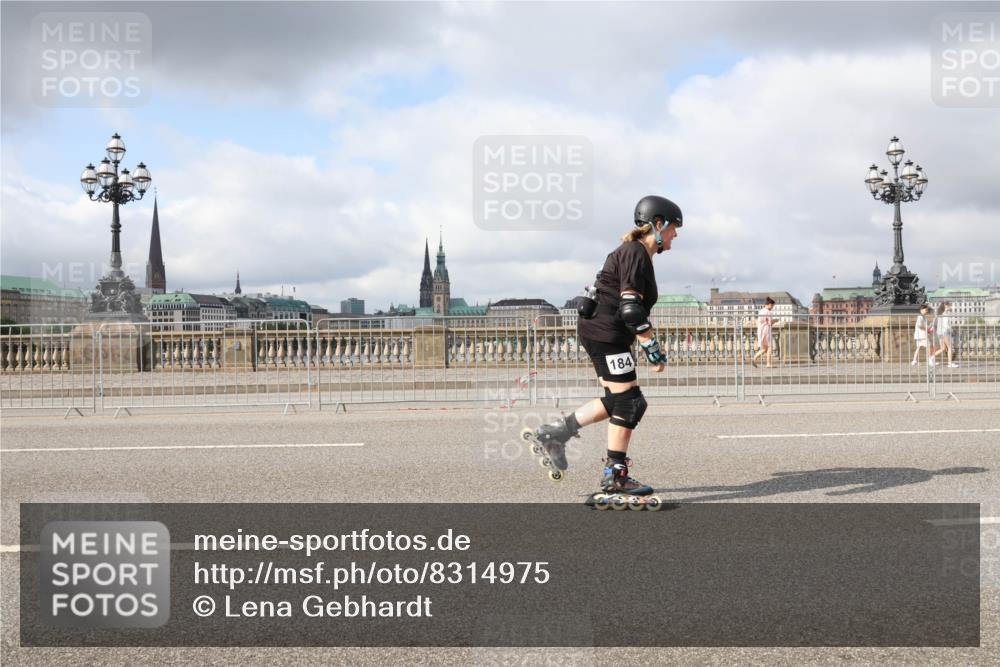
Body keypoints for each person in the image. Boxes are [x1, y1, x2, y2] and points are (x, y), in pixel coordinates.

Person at [526, 195, 681, 498]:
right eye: (674, 228)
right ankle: (616, 476)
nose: (676, 234)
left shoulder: (633, 252)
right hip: (606, 333)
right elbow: (631, 309)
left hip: (601, 332)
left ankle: (555, 433)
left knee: (619, 399)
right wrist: (652, 347)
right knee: (630, 403)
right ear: (658, 224)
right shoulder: (635, 252)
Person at [752, 297, 776, 368]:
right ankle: (768, 364)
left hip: (761, 330)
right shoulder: (768, 312)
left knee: (764, 348)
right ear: (769, 305)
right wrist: (775, 320)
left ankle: (754, 358)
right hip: (766, 331)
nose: (772, 308)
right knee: (769, 347)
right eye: (772, 306)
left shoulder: (761, 311)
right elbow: (769, 323)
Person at [932, 302, 958, 368]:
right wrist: (951, 330)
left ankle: (931, 358)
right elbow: (946, 325)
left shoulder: (940, 314)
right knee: (950, 347)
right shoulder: (945, 314)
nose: (950, 307)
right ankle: (950, 363)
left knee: (943, 348)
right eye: (949, 305)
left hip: (939, 333)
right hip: (944, 332)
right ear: (946, 306)